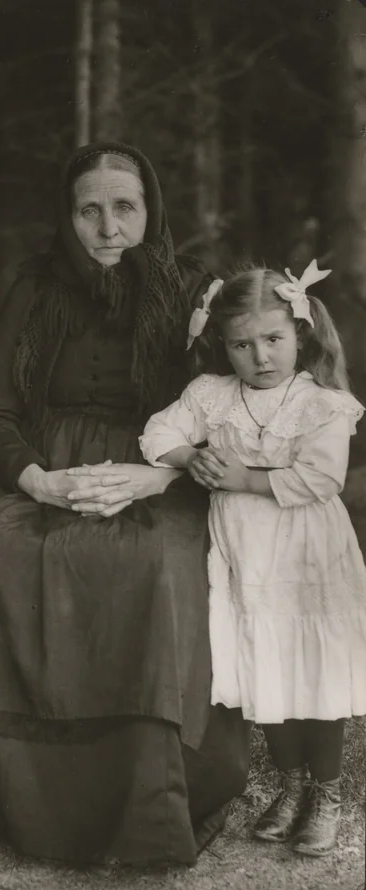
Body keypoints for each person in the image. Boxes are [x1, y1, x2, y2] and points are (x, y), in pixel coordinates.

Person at [0, 141, 252, 865]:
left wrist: (159, 475)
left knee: (150, 560)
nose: (108, 227)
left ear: (150, 211)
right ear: (69, 216)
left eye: (124, 208)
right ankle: (0, 788)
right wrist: (36, 480)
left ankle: (148, 794)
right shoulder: (33, 287)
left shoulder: (194, 291)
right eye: (90, 211)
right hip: (38, 458)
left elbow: (224, 406)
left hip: (158, 466)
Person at [141, 262, 366, 857]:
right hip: (247, 555)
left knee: (313, 669)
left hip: (306, 552)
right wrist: (191, 455)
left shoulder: (322, 403)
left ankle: (327, 793)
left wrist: (240, 475)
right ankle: (289, 788)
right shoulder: (212, 395)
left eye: (274, 340)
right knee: (266, 663)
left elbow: (322, 477)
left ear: (301, 335)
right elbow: (157, 432)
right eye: (242, 344)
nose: (260, 357)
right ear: (223, 344)